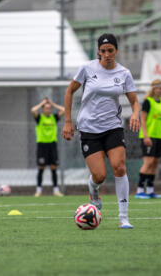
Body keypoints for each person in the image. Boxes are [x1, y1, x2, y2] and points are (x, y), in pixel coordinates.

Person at [63, 33, 140, 229]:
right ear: (98, 51)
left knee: (119, 167)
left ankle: (123, 217)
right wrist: (67, 121)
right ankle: (93, 190)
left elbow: (134, 101)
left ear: (116, 51)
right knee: (99, 176)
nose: (107, 54)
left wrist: (135, 114)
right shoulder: (87, 69)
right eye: (103, 51)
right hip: (89, 128)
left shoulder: (124, 73)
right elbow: (69, 91)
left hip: (113, 127)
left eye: (110, 50)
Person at [135, 79, 161, 199]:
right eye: (159, 88)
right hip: (149, 137)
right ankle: (140, 190)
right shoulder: (147, 102)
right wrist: (145, 135)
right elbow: (143, 119)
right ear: (154, 89)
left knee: (155, 163)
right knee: (148, 162)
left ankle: (150, 190)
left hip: (159, 136)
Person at [31, 97, 65, 197]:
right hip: (42, 145)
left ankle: (56, 190)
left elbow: (63, 110)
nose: (48, 110)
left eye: (49, 108)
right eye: (46, 108)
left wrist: (53, 104)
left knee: (53, 168)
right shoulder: (39, 118)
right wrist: (42, 103)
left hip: (52, 145)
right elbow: (33, 110)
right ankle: (38, 190)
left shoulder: (53, 118)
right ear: (42, 109)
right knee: (41, 168)